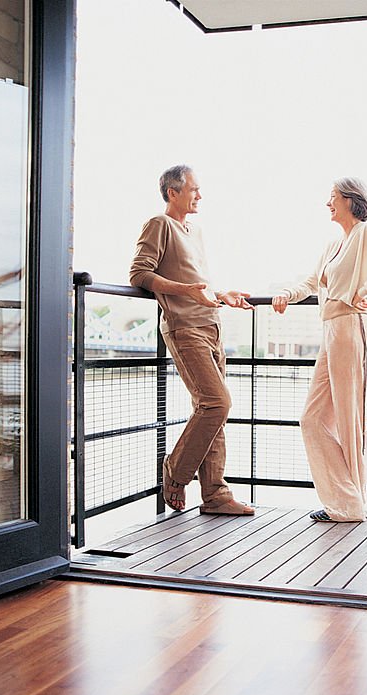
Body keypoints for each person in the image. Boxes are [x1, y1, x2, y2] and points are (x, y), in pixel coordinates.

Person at [273, 178, 367, 522]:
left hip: (351, 327)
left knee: (349, 419)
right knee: (312, 419)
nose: (327, 203)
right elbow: (312, 282)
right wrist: (287, 293)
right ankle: (345, 500)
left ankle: (350, 505)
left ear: (349, 200)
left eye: (332, 198)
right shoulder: (334, 245)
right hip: (332, 329)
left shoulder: (365, 233)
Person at [129, 165, 255, 516]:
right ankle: (175, 471)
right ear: (173, 192)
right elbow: (139, 273)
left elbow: (195, 282)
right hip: (184, 327)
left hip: (211, 324)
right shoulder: (159, 224)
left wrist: (221, 294)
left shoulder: (194, 231)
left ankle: (215, 495)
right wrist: (186, 292)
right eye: (194, 189)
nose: (200, 195)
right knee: (217, 403)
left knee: (212, 412)